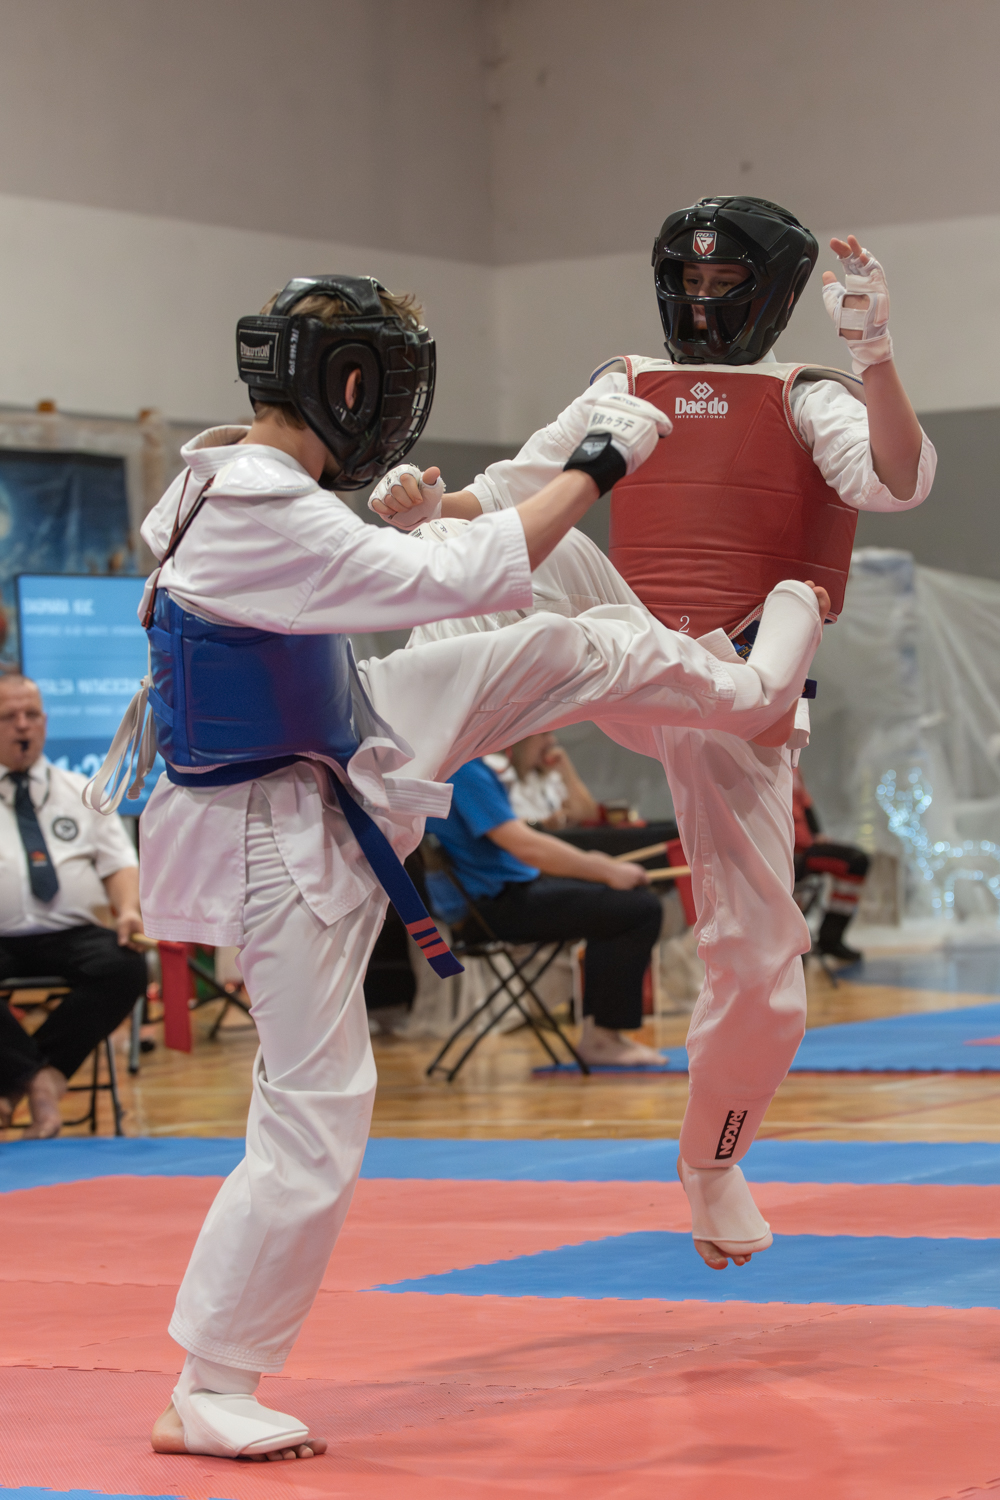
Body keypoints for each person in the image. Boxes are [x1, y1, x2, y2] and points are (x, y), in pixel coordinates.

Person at [89, 274, 827, 1462]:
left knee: (560, 645)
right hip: (283, 823)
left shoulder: (218, 477)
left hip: (343, 735)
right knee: (316, 1108)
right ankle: (210, 1385)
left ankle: (746, 690)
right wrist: (595, 464)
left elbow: (388, 563)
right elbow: (452, 575)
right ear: (349, 386)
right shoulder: (255, 504)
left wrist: (419, 513)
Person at [370, 197, 935, 1274]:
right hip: (635, 642)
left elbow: (897, 481)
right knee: (489, 556)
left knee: (763, 966)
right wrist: (422, 508)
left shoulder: (809, 394)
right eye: (689, 282)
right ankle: (390, 786)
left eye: (726, 286)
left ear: (771, 294)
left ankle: (712, 1162)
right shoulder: (625, 381)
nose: (702, 304)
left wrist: (873, 355)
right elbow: (508, 496)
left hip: (739, 703)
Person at [429, 755, 662, 1066]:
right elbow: (525, 847)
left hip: (491, 901)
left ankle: (603, 1035)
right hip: (491, 907)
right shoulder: (464, 769)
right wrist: (604, 869)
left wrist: (601, 869)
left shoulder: (457, 766)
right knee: (638, 909)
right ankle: (602, 1040)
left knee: (622, 906)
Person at [0, 674, 145, 1138]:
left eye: (31, 715)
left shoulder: (83, 791)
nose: (23, 725)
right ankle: (36, 1082)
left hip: (71, 935)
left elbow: (120, 864)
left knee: (126, 965)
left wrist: (128, 910)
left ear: (45, 722)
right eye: (9, 716)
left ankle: (29, 1081)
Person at [793, 766, 869, 963]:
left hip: (807, 848)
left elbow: (806, 804)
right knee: (855, 863)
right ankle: (822, 940)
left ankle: (831, 937)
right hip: (789, 851)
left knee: (857, 862)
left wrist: (818, 834)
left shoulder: (793, 766)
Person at [489, 732, 599, 829]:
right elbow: (493, 821)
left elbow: (587, 815)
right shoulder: (493, 769)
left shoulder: (544, 774)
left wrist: (566, 769)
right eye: (544, 734)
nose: (552, 740)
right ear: (522, 737)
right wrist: (542, 824)